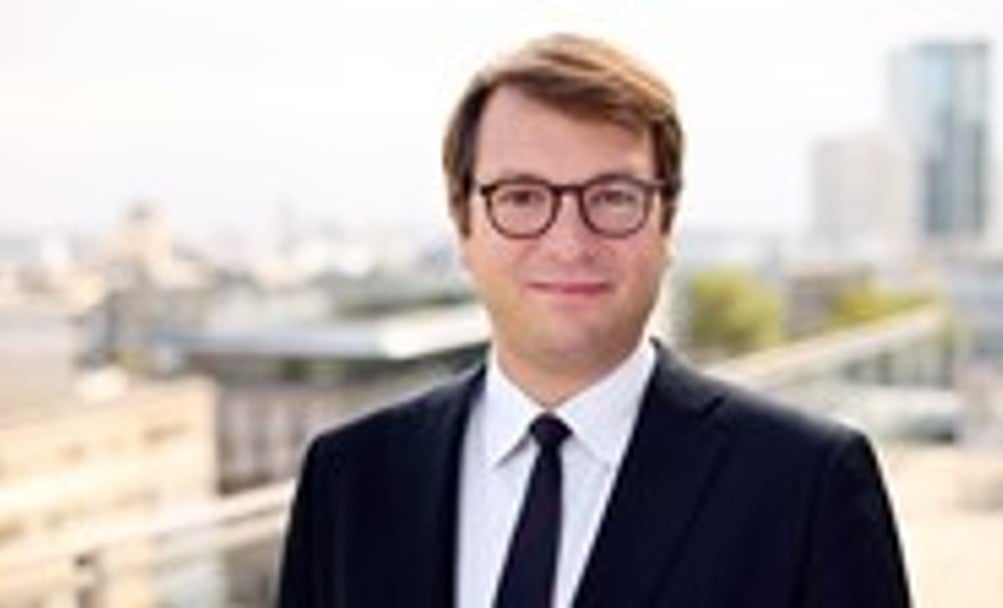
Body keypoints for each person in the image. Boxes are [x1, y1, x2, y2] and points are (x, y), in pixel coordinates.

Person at [277, 33, 910, 607]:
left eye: (612, 197)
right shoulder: (348, 478)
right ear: (463, 224)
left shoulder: (805, 485)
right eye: (522, 197)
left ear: (667, 223)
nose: (569, 243)